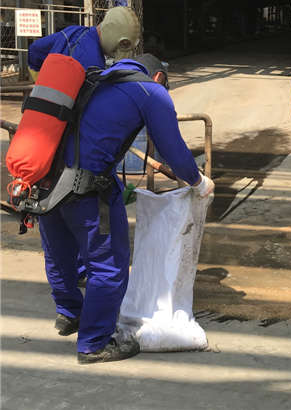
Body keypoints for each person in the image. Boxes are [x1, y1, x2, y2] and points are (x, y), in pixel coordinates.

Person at [38, 53, 213, 363]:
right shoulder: (151, 91)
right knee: (108, 266)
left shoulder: (95, 80)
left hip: (44, 182)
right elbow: (173, 149)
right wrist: (198, 182)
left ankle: (69, 313)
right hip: (86, 190)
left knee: (60, 254)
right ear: (160, 77)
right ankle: (94, 344)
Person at [28, 6, 141, 283]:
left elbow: (34, 52)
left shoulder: (72, 33)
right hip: (70, 141)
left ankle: (70, 282)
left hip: (44, 132)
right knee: (83, 200)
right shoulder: (93, 64)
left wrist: (43, 87)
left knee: (53, 213)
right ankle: (88, 269)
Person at [27, 5, 140, 81]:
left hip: (42, 103)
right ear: (111, 31)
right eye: (119, 47)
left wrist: (41, 82)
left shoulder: (73, 31)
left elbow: (35, 49)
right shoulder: (94, 65)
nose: (115, 54)